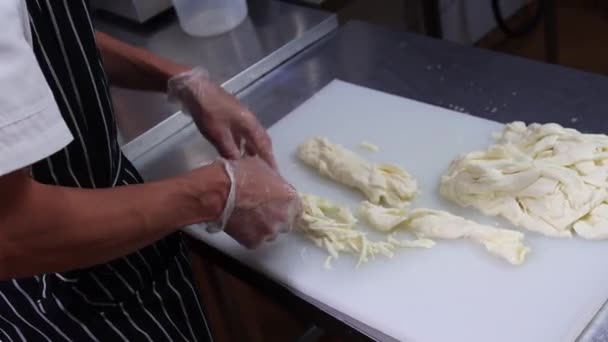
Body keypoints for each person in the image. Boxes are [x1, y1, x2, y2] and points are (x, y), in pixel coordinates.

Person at [0, 0, 301, 341]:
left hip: (125, 240)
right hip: (51, 292)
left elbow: (42, 37)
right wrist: (219, 191)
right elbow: (10, 231)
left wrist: (178, 80)